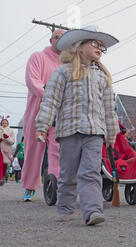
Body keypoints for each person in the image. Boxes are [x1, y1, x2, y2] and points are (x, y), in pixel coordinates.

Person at [35, 25, 120, 225]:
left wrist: (112, 133)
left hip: (94, 132)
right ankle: (65, 208)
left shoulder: (102, 77)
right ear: (79, 47)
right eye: (95, 44)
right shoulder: (63, 73)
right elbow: (50, 100)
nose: (100, 48)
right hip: (69, 132)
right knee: (68, 174)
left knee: (91, 172)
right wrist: (42, 126)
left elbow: (109, 108)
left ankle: (92, 211)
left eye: (102, 46)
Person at [22, 29, 65, 201]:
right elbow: (32, 80)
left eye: (64, 38)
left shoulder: (66, 64)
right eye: (57, 37)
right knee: (33, 149)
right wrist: (50, 94)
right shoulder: (38, 57)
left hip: (58, 112)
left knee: (57, 148)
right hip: (37, 110)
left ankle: (56, 184)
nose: (60, 40)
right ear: (51, 40)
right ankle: (29, 186)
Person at [0, 117, 15, 186]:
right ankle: (0, 179)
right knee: (0, 164)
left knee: (4, 165)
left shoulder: (11, 131)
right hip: (0, 149)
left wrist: (6, 138)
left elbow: (12, 142)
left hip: (6, 150)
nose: (4, 124)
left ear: (7, 124)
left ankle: (2, 177)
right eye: (3, 123)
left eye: (5, 123)